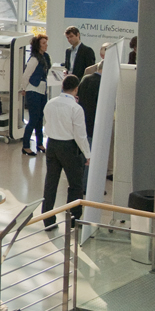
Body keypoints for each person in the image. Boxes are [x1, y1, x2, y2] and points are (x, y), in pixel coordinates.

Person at [41, 75, 91, 230]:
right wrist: (87, 154)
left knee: (51, 183)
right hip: (69, 147)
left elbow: (47, 124)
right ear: (76, 89)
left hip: (52, 144)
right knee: (75, 185)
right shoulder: (76, 108)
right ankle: (73, 219)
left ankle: (48, 220)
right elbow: (80, 135)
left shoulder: (50, 103)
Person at [21, 33, 51, 156]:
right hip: (33, 89)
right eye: (43, 43)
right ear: (38, 45)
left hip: (42, 90)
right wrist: (23, 88)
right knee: (33, 118)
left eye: (46, 43)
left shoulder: (46, 57)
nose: (46, 45)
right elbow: (26, 75)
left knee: (40, 119)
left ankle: (40, 143)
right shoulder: (34, 59)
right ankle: (26, 145)